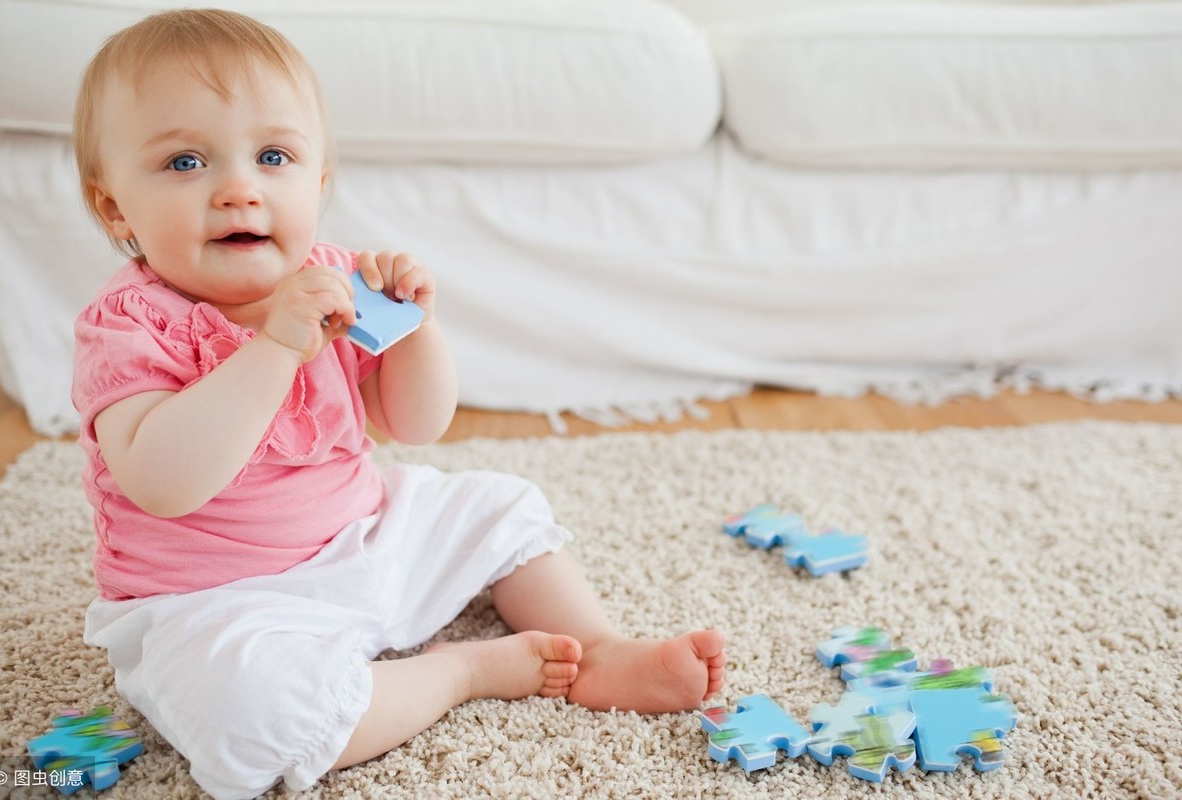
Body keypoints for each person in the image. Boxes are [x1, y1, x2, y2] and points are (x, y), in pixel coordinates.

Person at [69, 9, 725, 799]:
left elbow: (417, 425)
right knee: (255, 720)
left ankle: (598, 646)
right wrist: (273, 350)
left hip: (365, 537)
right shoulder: (129, 326)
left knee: (499, 505)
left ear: (315, 182)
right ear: (115, 209)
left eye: (272, 156)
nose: (239, 189)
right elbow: (163, 480)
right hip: (218, 603)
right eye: (184, 162)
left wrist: (416, 329)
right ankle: (456, 675)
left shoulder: (335, 282)